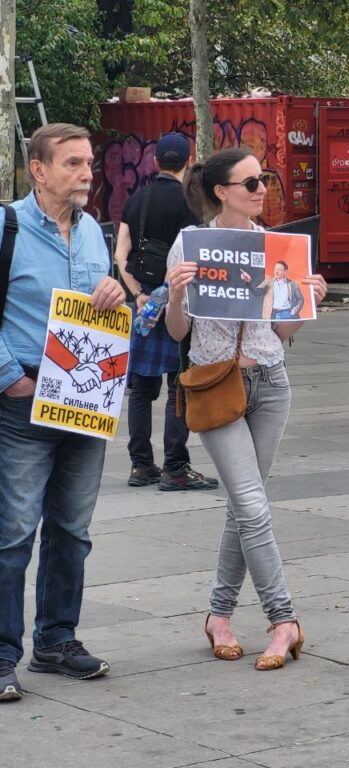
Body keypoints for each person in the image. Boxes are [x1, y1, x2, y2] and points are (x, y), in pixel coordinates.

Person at [164, 148, 328, 671]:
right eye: (251, 182)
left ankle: (219, 616)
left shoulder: (276, 246)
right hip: (216, 384)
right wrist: (175, 296)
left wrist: (307, 299)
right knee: (253, 507)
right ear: (221, 192)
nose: (262, 190)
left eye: (265, 180)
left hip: (271, 383)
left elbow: (282, 330)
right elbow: (178, 333)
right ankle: (284, 620)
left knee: (244, 505)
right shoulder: (191, 245)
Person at [0, 124, 126, 702]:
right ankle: (3, 654)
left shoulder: (94, 231)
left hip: (84, 400)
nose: (86, 173)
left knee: (72, 531)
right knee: (13, 533)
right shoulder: (8, 226)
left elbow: (104, 303)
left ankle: (56, 640)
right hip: (23, 400)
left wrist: (115, 291)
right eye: (73, 163)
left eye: (89, 163)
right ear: (39, 170)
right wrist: (12, 379)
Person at [115, 132, 218, 491]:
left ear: (156, 162)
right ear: (188, 161)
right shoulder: (193, 202)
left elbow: (121, 254)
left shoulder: (136, 200)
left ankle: (141, 465)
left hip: (146, 308)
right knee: (179, 387)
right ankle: (175, 466)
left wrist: (139, 295)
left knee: (142, 390)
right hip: (179, 305)